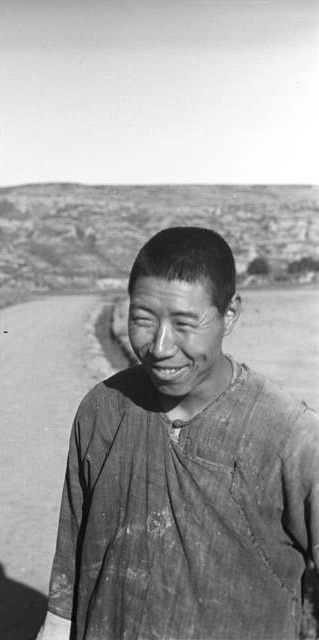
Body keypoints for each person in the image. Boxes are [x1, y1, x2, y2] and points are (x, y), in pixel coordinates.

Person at [38, 227, 319, 640]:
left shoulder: (292, 438)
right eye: (143, 320)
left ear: (230, 315)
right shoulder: (102, 411)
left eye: (185, 323)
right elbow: (69, 569)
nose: (161, 346)